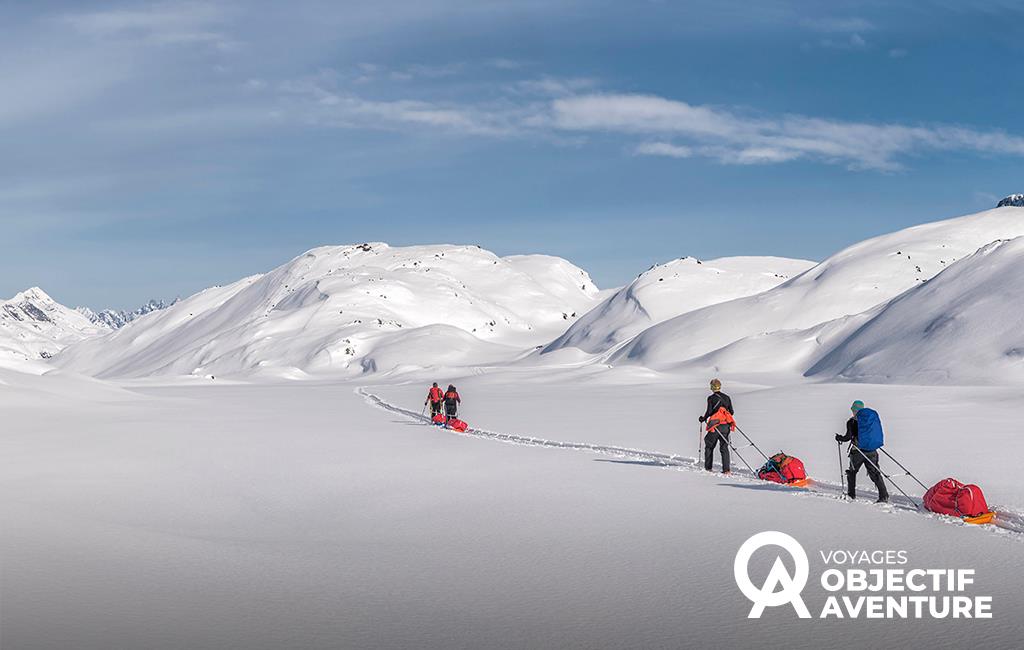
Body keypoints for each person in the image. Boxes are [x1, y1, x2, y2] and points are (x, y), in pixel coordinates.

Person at [835, 400, 889, 503]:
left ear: (854, 410)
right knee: (875, 473)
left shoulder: (851, 422)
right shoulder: (869, 420)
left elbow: (848, 437)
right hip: (872, 450)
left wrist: (839, 438)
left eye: (853, 409)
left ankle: (851, 495)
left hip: (858, 451)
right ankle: (884, 495)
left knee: (852, 472)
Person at [698, 378, 734, 474]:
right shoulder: (727, 397)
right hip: (726, 426)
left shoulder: (711, 398)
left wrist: (703, 418)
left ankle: (708, 468)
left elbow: (709, 412)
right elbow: (732, 412)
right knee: (724, 448)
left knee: (709, 446)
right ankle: (726, 470)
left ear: (712, 387)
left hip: (715, 426)